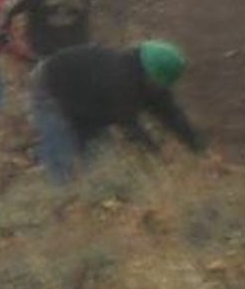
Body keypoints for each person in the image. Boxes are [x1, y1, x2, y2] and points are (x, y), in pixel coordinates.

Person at [32, 38, 205, 185]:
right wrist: (158, 162)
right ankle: (59, 205)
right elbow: (131, 128)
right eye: (159, 84)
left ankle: (91, 204)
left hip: (89, 102)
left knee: (99, 163)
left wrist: (199, 148)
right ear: (151, 76)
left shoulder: (150, 83)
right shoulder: (120, 81)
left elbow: (172, 115)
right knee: (62, 159)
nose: (161, 90)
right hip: (51, 86)